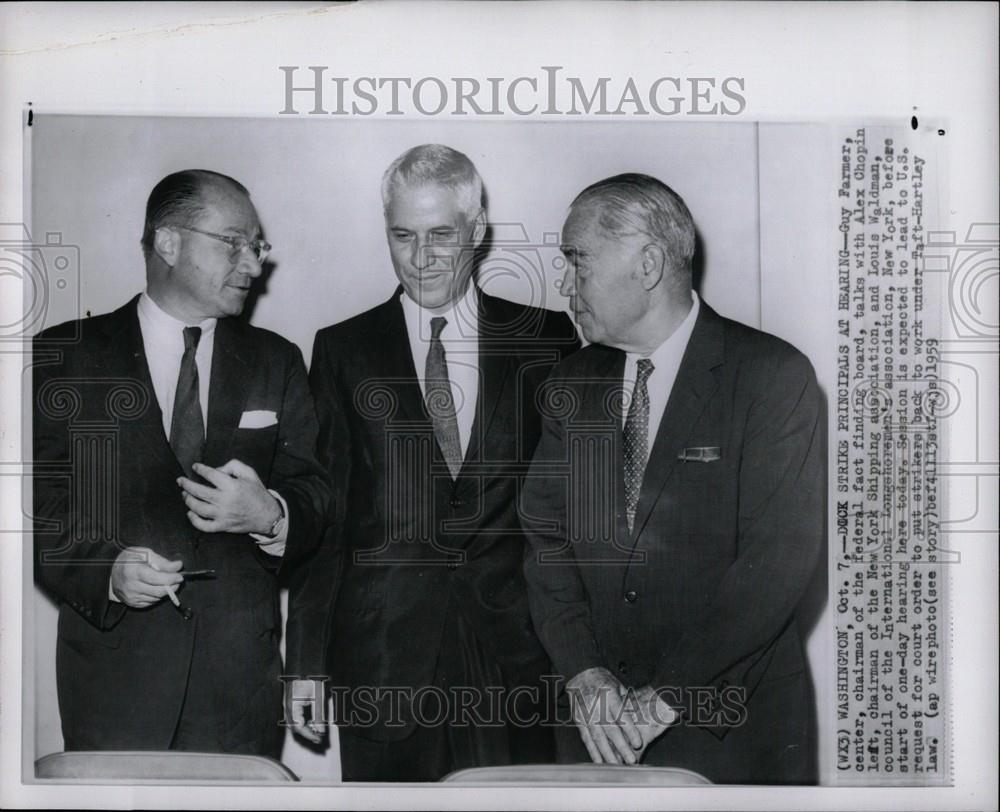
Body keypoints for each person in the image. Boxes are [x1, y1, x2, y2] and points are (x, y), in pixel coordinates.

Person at [521, 173, 823, 784]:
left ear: (649, 264)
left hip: (730, 732)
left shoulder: (772, 377)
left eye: (577, 260)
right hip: (597, 730)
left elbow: (774, 568)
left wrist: (661, 699)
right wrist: (584, 675)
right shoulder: (568, 385)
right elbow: (545, 542)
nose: (563, 282)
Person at [291, 144, 580, 781]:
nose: (421, 258)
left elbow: (573, 518)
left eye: (441, 235)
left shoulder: (549, 337)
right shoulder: (342, 349)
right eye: (402, 236)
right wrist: (305, 662)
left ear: (476, 232)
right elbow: (329, 517)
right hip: (383, 656)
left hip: (517, 653)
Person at [32, 169, 330, 757]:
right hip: (115, 684)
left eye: (257, 246)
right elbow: (36, 513)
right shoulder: (66, 356)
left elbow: (317, 492)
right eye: (234, 242)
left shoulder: (278, 360)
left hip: (239, 685)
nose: (253, 263)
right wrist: (107, 574)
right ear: (168, 243)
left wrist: (272, 515)